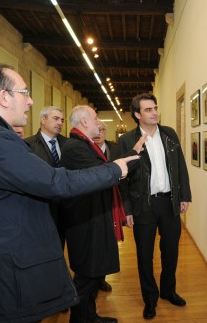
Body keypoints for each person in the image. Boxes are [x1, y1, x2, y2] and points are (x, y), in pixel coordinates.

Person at [0, 64, 139, 323]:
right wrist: (115, 170)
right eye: (25, 92)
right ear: (4, 97)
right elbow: (55, 182)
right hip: (2, 280)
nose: (30, 101)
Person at [61, 106, 145, 323]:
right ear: (84, 122)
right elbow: (104, 174)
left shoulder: (83, 145)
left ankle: (90, 316)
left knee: (93, 273)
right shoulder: (75, 148)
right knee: (86, 276)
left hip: (93, 217)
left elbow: (106, 170)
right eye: (96, 118)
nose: (98, 122)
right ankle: (79, 320)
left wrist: (132, 155)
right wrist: (133, 155)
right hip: (84, 222)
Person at [116, 93, 191, 320]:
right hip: (143, 205)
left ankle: (168, 291)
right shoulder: (127, 140)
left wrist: (184, 195)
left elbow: (180, 167)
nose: (154, 112)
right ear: (137, 115)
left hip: (169, 202)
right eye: (148, 109)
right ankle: (150, 299)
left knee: (171, 250)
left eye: (155, 108)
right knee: (144, 254)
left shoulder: (169, 134)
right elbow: (123, 178)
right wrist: (127, 209)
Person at [25, 106, 68, 248]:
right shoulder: (28, 145)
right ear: (43, 120)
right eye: (55, 119)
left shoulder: (68, 145)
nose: (60, 123)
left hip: (65, 207)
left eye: (62, 120)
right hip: (41, 207)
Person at [92, 119, 118, 293]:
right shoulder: (85, 150)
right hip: (92, 203)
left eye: (102, 130)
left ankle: (102, 278)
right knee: (94, 242)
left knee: (108, 242)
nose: (99, 133)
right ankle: (92, 279)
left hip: (111, 201)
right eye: (97, 129)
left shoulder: (114, 149)